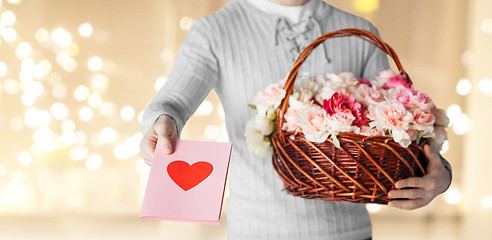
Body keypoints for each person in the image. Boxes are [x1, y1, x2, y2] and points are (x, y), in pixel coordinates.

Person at [139, 0, 452, 239]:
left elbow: (401, 129)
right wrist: (162, 122)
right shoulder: (215, 31)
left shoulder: (361, 32)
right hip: (256, 232)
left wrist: (441, 176)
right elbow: (174, 101)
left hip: (349, 233)